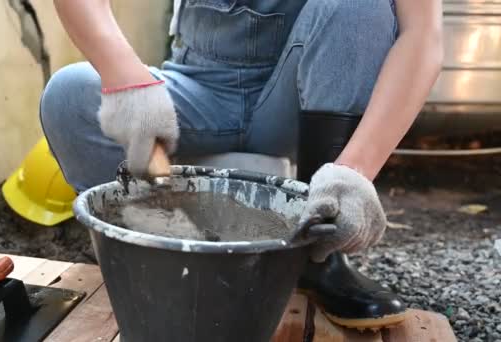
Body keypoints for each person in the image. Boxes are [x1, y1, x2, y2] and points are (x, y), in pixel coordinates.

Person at [41, 0, 443, 329]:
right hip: (197, 90)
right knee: (70, 94)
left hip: (297, 98)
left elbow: (422, 33)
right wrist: (127, 81)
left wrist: (353, 174)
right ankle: (148, 248)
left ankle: (317, 258)